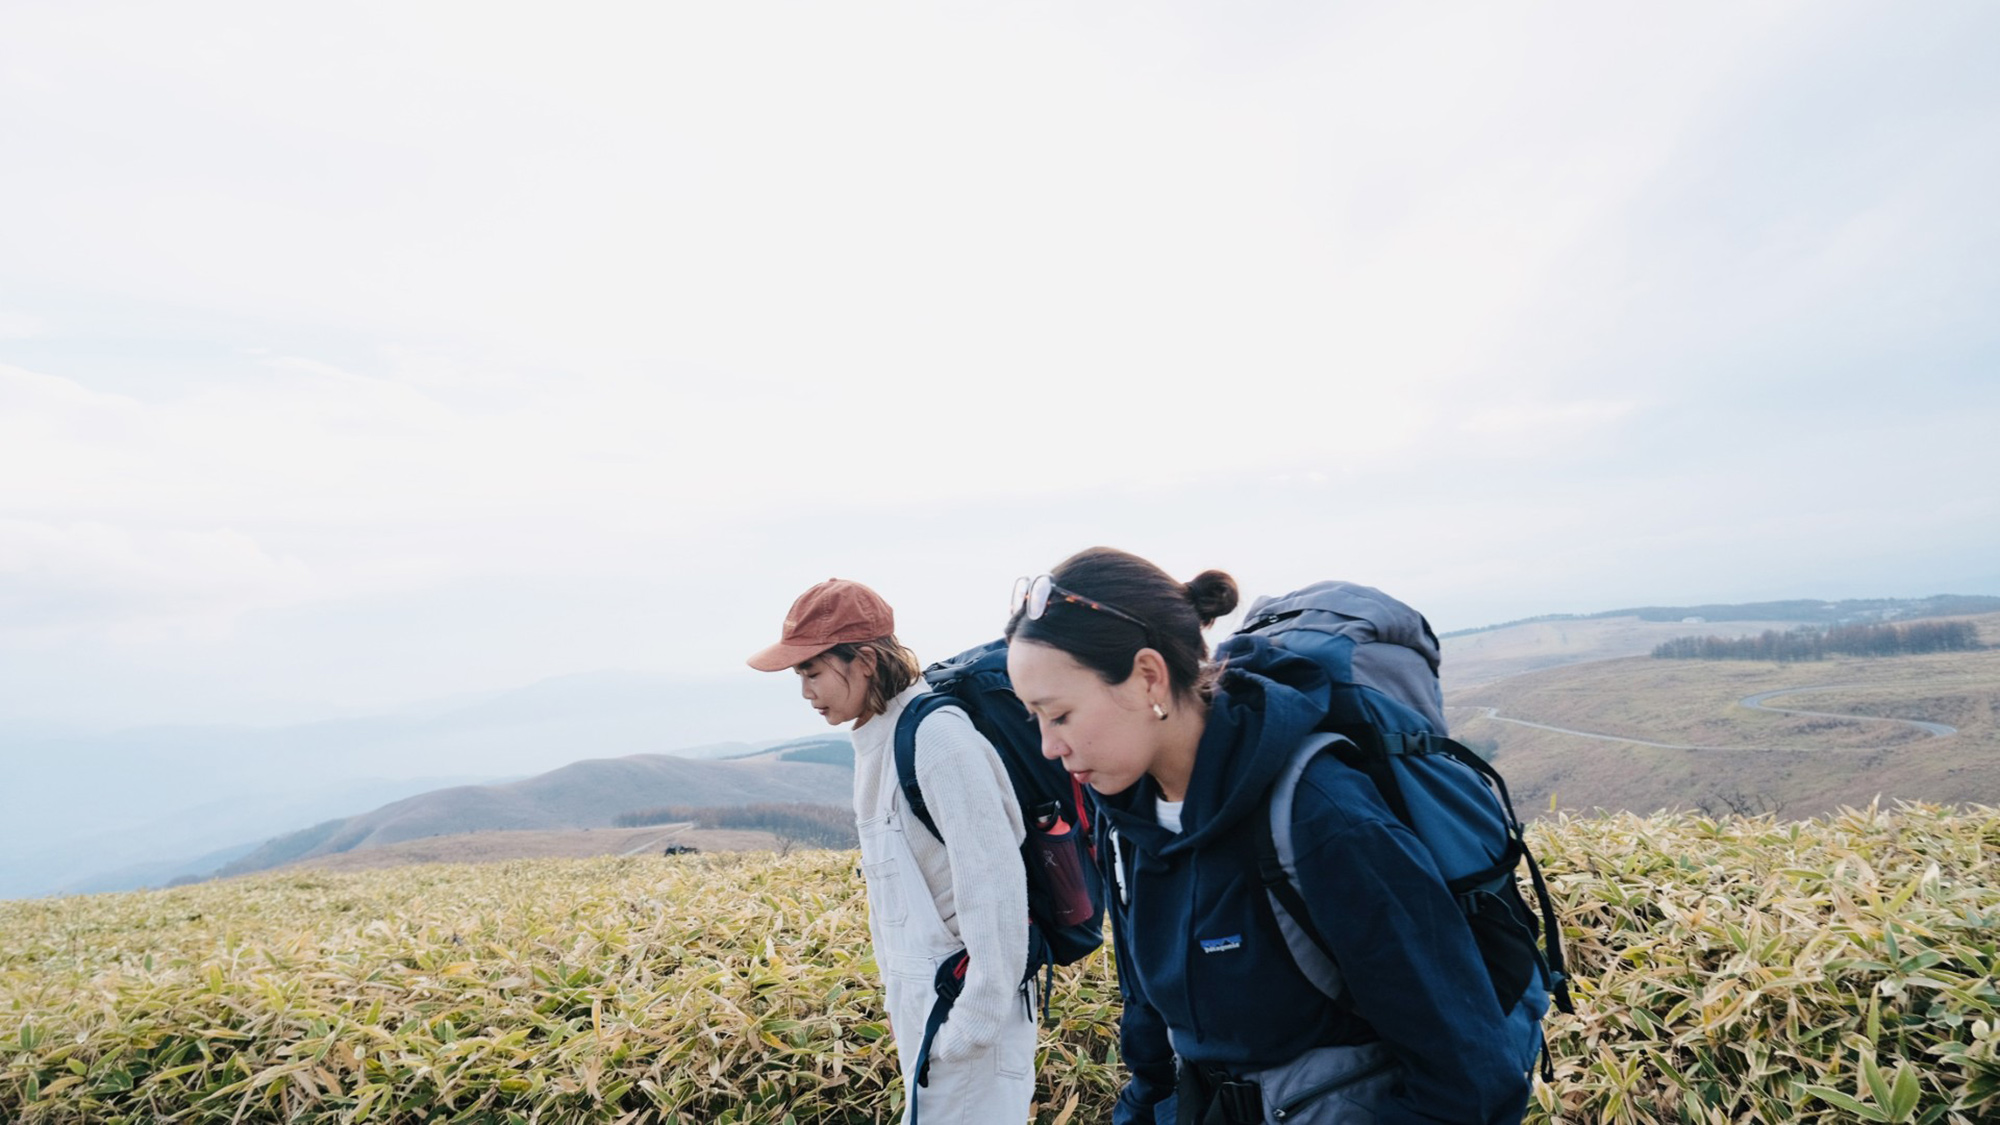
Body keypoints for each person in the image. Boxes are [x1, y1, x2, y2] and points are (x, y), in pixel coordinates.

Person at [1004, 548, 1542, 1125]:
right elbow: (1153, 1029)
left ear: (1148, 677)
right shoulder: (1128, 822)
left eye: (1058, 715)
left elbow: (1471, 1080)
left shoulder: (1319, 817)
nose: (1048, 748)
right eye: (1033, 719)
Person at [748, 578, 1037, 1125]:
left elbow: (996, 883)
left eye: (811, 671)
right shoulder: (881, 737)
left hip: (968, 1027)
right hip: (933, 1019)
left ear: (862, 661)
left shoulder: (937, 740)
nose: (806, 691)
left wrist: (969, 1029)